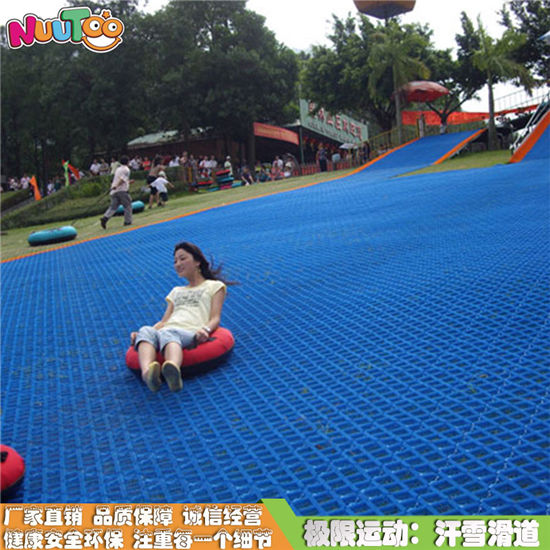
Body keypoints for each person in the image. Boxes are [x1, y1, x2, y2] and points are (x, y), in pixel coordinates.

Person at [130, 242, 234, 392]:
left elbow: (215, 318)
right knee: (146, 330)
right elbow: (164, 321)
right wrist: (142, 334)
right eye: (175, 261)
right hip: (167, 329)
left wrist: (205, 330)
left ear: (197, 261)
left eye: (182, 259)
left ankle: (173, 369)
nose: (178, 264)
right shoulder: (176, 291)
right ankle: (148, 374)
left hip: (189, 331)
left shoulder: (214, 286)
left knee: (169, 333)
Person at [100, 156, 134, 229]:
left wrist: (127, 182)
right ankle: (127, 221)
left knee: (113, 206)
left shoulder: (118, 169)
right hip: (122, 190)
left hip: (114, 191)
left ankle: (105, 217)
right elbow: (122, 180)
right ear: (127, 162)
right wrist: (117, 185)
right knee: (127, 205)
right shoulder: (126, 169)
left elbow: (121, 179)